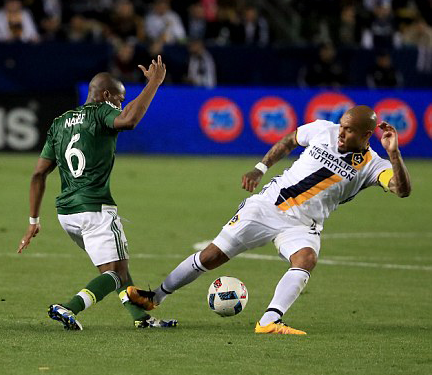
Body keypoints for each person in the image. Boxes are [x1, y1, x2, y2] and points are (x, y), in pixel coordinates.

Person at [127, 106, 411, 335]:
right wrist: (260, 168)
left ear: (367, 134)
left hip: (303, 224)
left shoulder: (375, 164)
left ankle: (269, 322)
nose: (341, 133)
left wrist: (394, 153)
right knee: (211, 256)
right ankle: (156, 296)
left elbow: (401, 190)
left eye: (349, 130)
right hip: (267, 206)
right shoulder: (324, 129)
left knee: (306, 259)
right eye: (342, 125)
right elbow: (290, 140)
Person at [18, 56, 177, 330]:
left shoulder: (59, 123)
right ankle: (69, 307)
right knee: (115, 273)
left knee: (118, 267)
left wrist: (33, 221)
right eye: (119, 99)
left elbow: (38, 174)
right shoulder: (101, 111)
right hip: (95, 210)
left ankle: (142, 319)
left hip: (66, 214)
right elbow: (129, 121)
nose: (120, 106)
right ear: (105, 95)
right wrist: (154, 83)